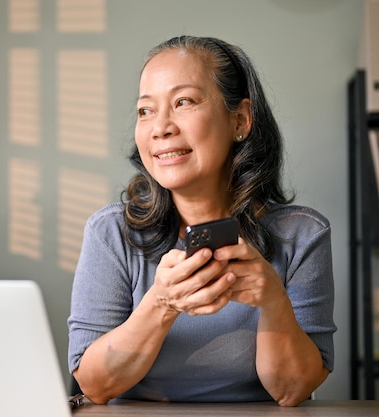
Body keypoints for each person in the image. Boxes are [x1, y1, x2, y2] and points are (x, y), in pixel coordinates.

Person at [67, 35, 336, 407]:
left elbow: (292, 391)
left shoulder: (302, 235)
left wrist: (273, 300)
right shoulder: (111, 233)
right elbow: (95, 385)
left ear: (240, 119)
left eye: (183, 102)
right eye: (146, 110)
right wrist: (161, 303)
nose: (160, 127)